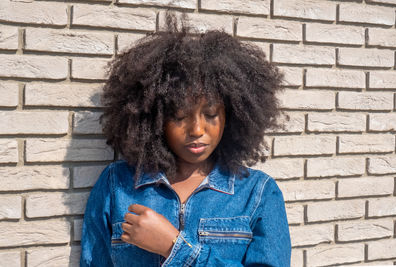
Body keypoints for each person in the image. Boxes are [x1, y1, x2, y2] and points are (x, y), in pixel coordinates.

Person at [80, 12, 291, 267]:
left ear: (232, 115)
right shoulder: (118, 185)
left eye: (211, 114)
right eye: (180, 116)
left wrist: (173, 247)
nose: (197, 129)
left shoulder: (257, 193)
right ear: (154, 118)